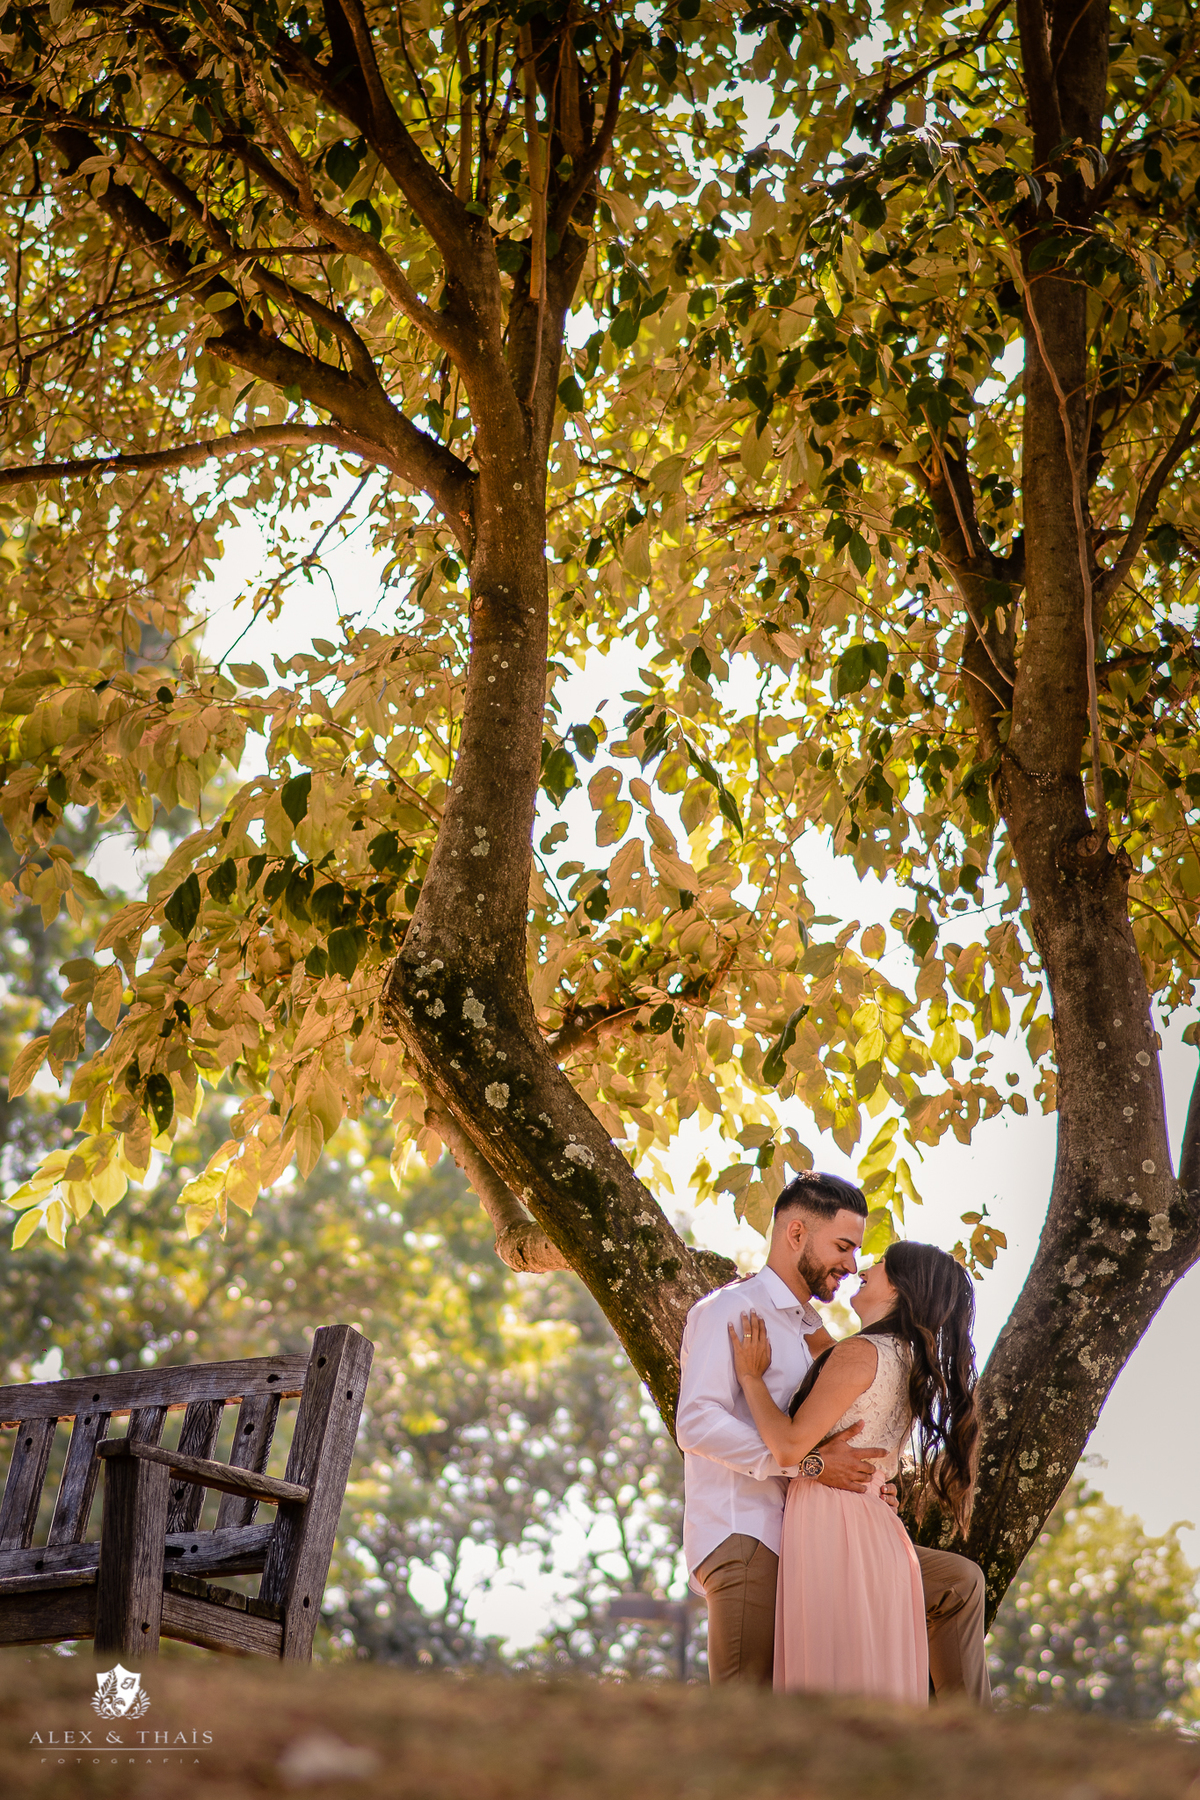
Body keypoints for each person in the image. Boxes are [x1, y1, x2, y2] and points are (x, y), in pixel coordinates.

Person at [676, 1171, 990, 1702]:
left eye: (858, 1252)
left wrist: (873, 1482)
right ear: (796, 1233)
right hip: (750, 1534)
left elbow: (851, 1423)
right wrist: (810, 1465)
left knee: (956, 1583)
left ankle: (965, 1752)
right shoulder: (730, 1311)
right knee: (746, 1722)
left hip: (823, 1537)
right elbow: (697, 1422)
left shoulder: (820, 1336)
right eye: (843, 1247)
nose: (851, 1264)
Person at [730, 1239, 979, 1704]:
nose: (867, 1266)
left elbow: (786, 1446)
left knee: (830, 1672)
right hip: (874, 1529)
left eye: (882, 1263)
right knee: (865, 1675)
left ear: (902, 1287)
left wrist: (749, 1377)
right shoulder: (906, 1360)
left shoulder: (861, 1354)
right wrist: (782, 1303)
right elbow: (833, 1356)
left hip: (833, 1525)